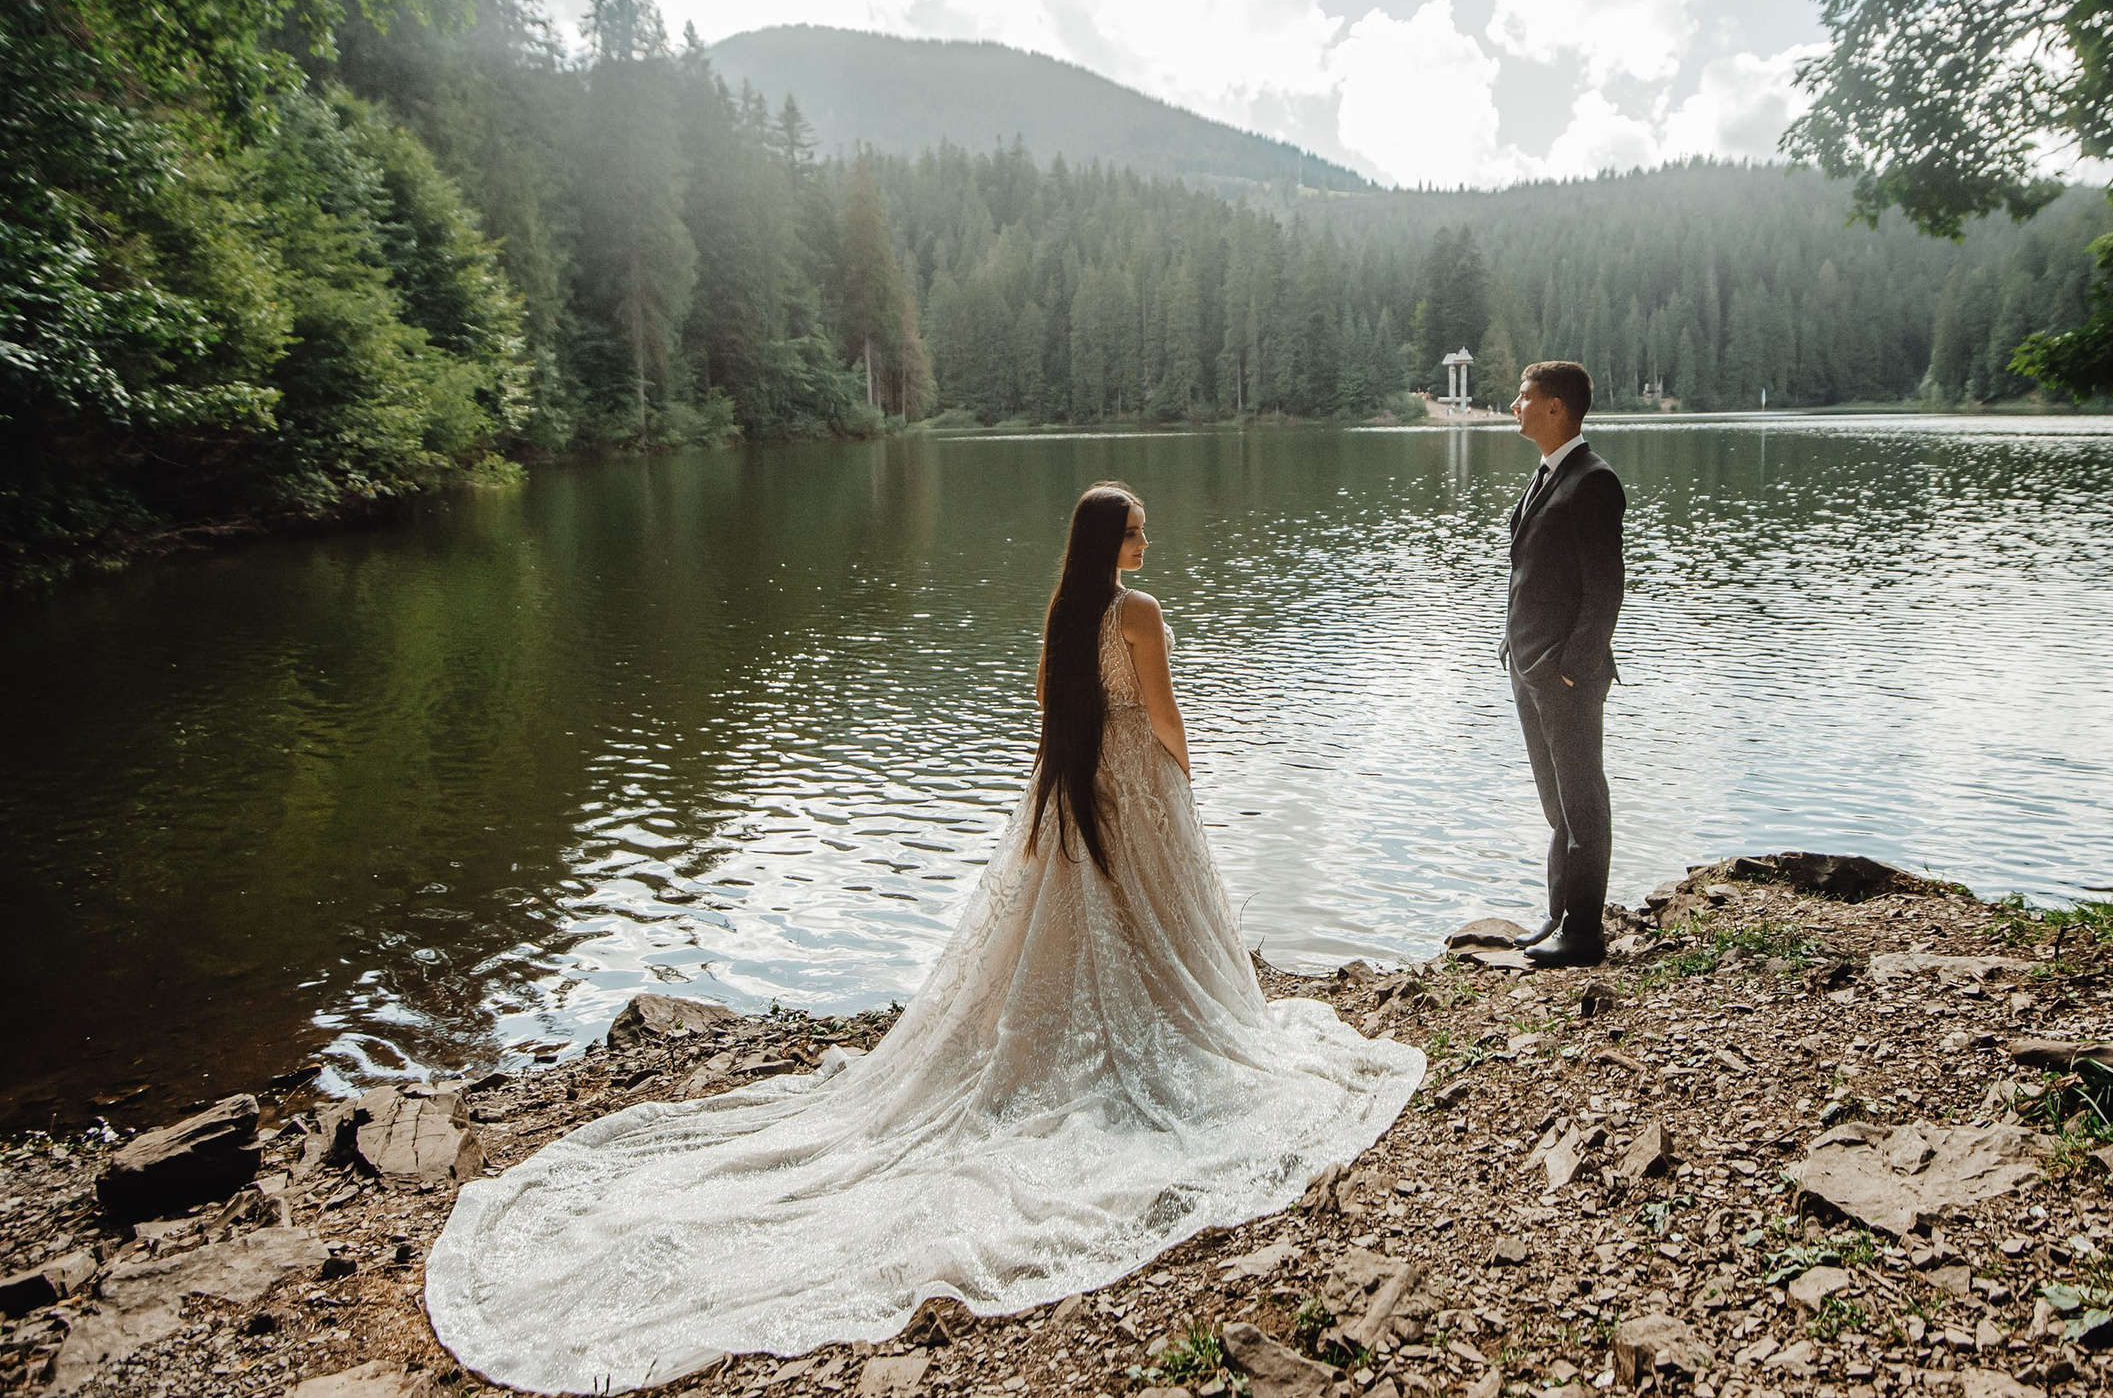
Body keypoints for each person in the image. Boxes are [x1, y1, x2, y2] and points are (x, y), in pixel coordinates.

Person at [425, 482, 1422, 1394]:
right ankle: (1151, 1035)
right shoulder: (1140, 613)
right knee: (1157, 919)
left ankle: (1073, 1042)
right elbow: (1164, 714)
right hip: (1133, 783)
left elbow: (1046, 703)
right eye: (1136, 530)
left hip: (1071, 786)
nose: (1146, 541)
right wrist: (1180, 792)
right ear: (1109, 543)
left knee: (1070, 930)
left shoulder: (1066, 611)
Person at [1502, 361, 1626, 970]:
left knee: (1583, 802)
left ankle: (1584, 934)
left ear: (1555, 407)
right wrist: (1512, 645)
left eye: (1523, 397)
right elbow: (1531, 573)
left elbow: (1605, 592)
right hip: (1528, 666)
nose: (1514, 405)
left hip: (1564, 674)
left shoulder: (1594, 481)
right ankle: (1558, 916)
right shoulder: (1547, 475)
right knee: (1557, 805)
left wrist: (1572, 668)